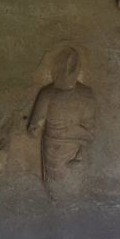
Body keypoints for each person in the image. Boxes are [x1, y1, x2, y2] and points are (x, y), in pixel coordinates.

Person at [28, 47, 96, 186]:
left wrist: (81, 151)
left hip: (70, 145)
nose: (66, 73)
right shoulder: (47, 93)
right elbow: (34, 127)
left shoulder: (85, 93)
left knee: (68, 181)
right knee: (57, 182)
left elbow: (90, 128)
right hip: (53, 145)